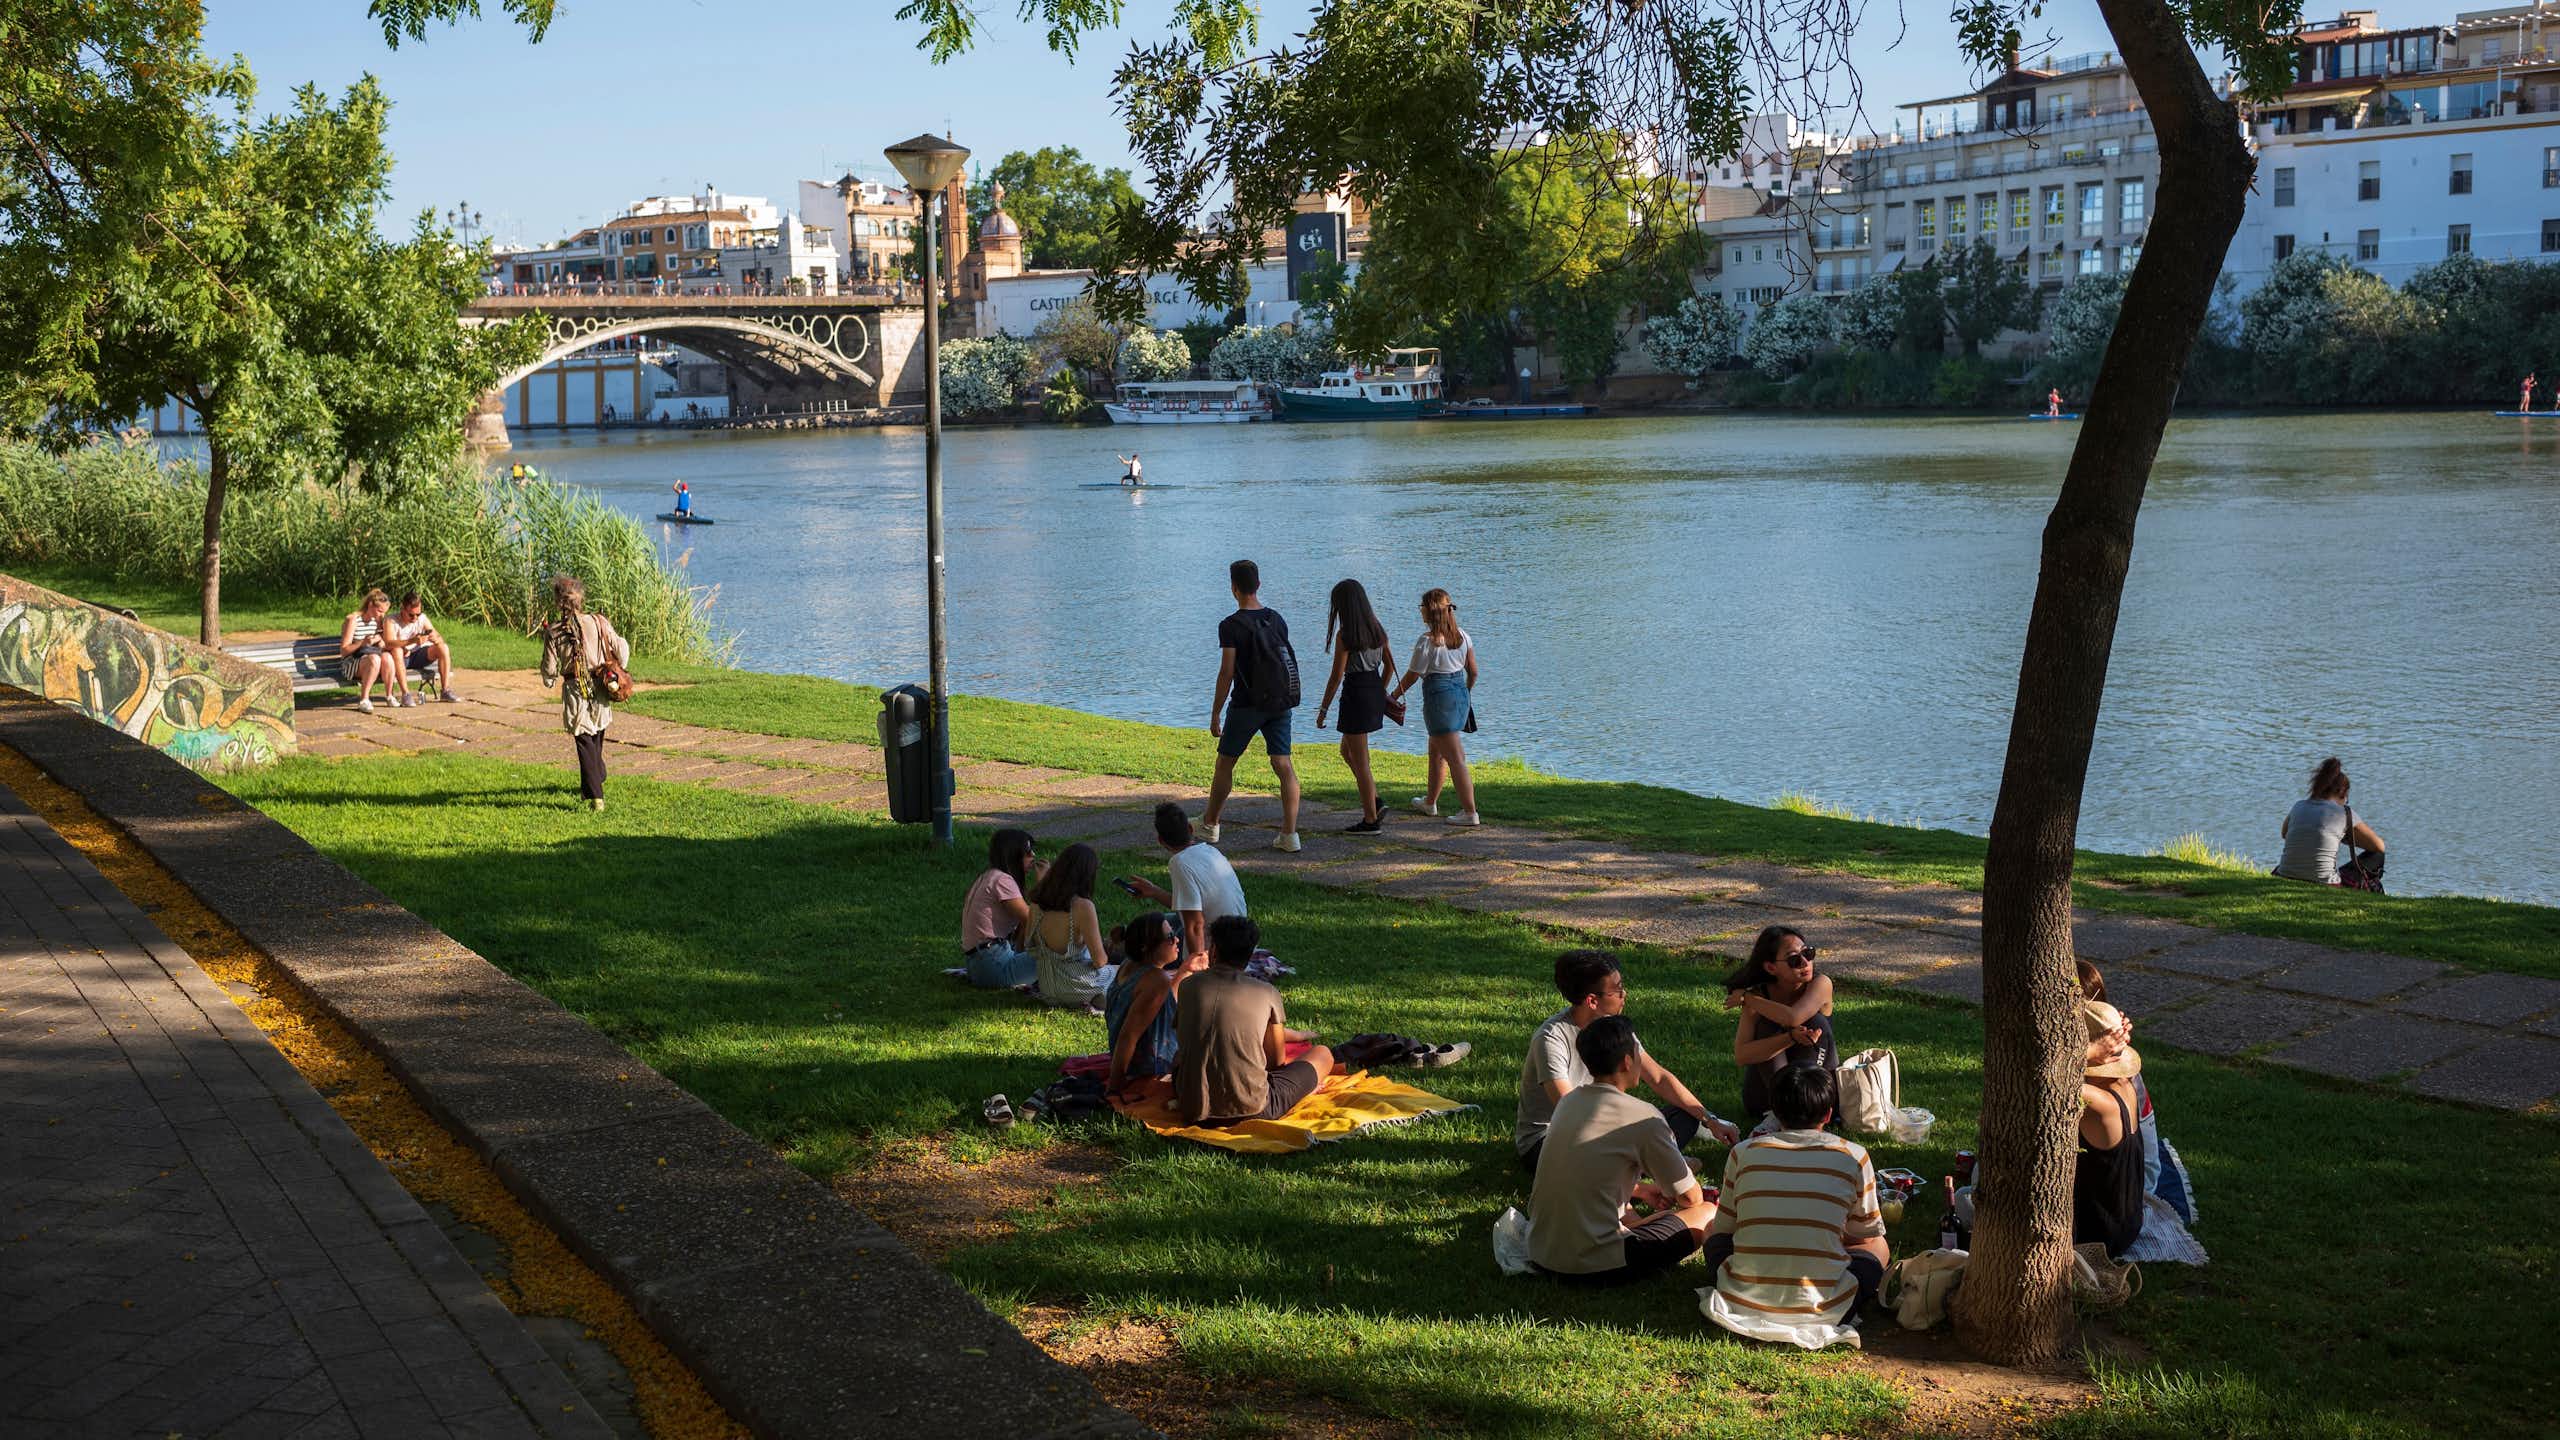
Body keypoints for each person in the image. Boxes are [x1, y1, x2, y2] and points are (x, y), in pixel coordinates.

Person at [1700, 1064, 1888, 1341]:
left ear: (1775, 1113)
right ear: (1827, 1113)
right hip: (1828, 1308)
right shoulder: (1854, 1156)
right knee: (1878, 1244)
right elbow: (1865, 1233)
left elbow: (1725, 1227)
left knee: (1709, 1231)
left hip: (1741, 1299)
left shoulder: (1743, 1153)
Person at [1525, 1016, 1717, 1286]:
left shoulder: (1569, 1104)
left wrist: (1640, 1190)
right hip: (1595, 1265)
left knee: (1663, 1217)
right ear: (1628, 1061)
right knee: (1707, 1211)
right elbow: (1689, 1197)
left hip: (1542, 1250)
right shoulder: (1643, 1116)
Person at [1517, 950, 1736, 1174]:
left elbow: (1659, 1077)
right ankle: (1653, 1162)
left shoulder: (1612, 1027)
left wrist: (1710, 1119)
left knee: (1686, 1115)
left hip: (1605, 1129)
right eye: (1618, 989)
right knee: (1626, 1142)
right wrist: (1635, 1134)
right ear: (1592, 1000)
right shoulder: (1551, 1038)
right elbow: (1571, 1110)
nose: (1625, 994)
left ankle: (1648, 1161)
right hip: (1555, 1140)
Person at [1173, 915, 1335, 1126]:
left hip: (1192, 1106)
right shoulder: (1267, 993)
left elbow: (1184, 1043)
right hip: (1253, 1108)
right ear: (1249, 956)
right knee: (1323, 1053)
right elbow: (1276, 1062)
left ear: (1213, 951)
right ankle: (1300, 1092)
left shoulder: (1188, 986)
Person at [1201, 559, 1304, 853]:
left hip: (1247, 704)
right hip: (1280, 702)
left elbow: (1227, 672)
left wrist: (1216, 711)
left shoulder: (1231, 625)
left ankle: (1210, 825)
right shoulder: (1277, 619)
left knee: (1226, 762)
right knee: (1283, 764)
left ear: (1233, 588)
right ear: (1258, 585)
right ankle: (1289, 834)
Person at [1726, 925, 1839, 1132]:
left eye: (1808, 953)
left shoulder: (1821, 983)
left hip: (1815, 1090)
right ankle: (1779, 1114)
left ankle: (1803, 1110)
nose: (1805, 963)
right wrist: (1789, 1038)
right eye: (1794, 959)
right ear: (1771, 968)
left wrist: (1748, 998)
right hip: (1765, 1096)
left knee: (1815, 1023)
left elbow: (1794, 1017)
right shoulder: (1760, 996)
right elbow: (1742, 1055)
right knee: (1767, 1026)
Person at [1313, 578, 1399, 835]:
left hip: (1356, 693)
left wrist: (1323, 709)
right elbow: (1390, 665)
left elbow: (1337, 676)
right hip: (1372, 689)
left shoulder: (1346, 635)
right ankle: (1375, 801)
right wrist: (1380, 690)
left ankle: (1371, 820)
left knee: (1361, 762)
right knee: (1348, 752)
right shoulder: (1377, 628)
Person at [1388, 588, 1479, 826]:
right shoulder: (1464, 637)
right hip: (1459, 694)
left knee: (1456, 758)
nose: (1420, 611)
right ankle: (1430, 802)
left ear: (1430, 611)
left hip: (1439, 698)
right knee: (1436, 752)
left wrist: (1393, 695)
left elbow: (1412, 675)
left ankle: (1470, 812)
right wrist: (1465, 693)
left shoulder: (1426, 642)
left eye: (1422, 607)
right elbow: (1474, 671)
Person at [538, 574, 627, 812]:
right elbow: (621, 647)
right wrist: (620, 666)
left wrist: (548, 680)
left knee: (584, 739)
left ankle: (596, 796)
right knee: (596, 733)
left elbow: (549, 667)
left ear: (558, 602)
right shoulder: (598, 621)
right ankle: (597, 773)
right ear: (580, 599)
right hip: (601, 685)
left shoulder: (554, 631)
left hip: (576, 688)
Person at [1122, 803, 1247, 965]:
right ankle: (1121, 941)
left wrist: (1196, 968)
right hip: (1241, 941)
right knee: (1164, 923)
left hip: (1217, 951)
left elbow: (1195, 924)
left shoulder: (1180, 862)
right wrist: (1153, 891)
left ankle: (1118, 949)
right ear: (1190, 829)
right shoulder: (1211, 851)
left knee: (1147, 939)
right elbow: (1189, 906)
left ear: (1160, 840)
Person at [2076, 1000, 2146, 1259]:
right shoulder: (2125, 1084)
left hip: (2099, 1237)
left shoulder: (2099, 1103)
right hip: (2128, 1223)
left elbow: (2041, 1075)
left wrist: (2090, 1050)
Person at [1105, 911, 1195, 1101]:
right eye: (1170, 937)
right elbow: (1128, 1035)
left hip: (1134, 1061)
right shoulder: (1156, 979)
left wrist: (1186, 970)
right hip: (1150, 1069)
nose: (1177, 939)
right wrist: (1113, 1089)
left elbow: (1161, 1001)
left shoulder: (1129, 965)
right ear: (1147, 947)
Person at [1021, 843, 1116, 1008]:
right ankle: (1100, 997)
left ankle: (1099, 997)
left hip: (1048, 987)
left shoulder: (1036, 904)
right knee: (1126, 971)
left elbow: (1029, 946)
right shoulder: (1082, 906)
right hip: (1076, 985)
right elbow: (1100, 961)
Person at [2274, 756, 2386, 886]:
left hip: (2285, 874)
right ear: (2343, 793)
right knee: (2377, 855)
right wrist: (2346, 837)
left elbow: (2284, 834)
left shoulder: (2298, 806)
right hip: (2325, 882)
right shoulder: (2344, 813)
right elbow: (2379, 846)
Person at [959, 828, 1041, 988]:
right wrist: (1043, 882)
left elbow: (1026, 924)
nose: (1033, 857)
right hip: (992, 965)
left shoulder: (988, 875)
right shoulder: (1002, 880)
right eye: (1028, 852)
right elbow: (1035, 919)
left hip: (980, 963)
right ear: (1013, 854)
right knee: (1059, 956)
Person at [338, 589, 409, 714]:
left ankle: (389, 696)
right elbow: (344, 651)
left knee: (387, 657)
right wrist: (362, 643)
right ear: (370, 604)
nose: (382, 615)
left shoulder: (377, 620)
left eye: (384, 613)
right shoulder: (353, 620)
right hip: (352, 662)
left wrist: (381, 642)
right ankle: (364, 700)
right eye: (380, 611)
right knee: (375, 659)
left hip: (370, 657)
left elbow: (382, 644)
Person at [386, 592, 463, 704]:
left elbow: (439, 638)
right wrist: (412, 641)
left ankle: (445, 690)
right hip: (400, 658)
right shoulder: (391, 620)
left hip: (418, 655)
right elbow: (388, 644)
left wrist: (435, 639)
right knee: (397, 650)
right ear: (402, 608)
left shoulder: (422, 619)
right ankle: (406, 694)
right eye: (411, 615)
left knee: (443, 647)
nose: (415, 618)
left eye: (418, 614)